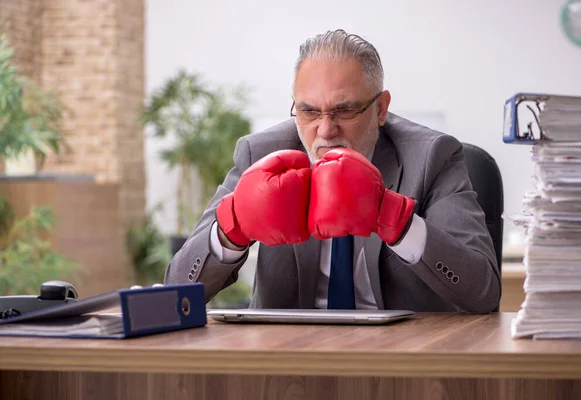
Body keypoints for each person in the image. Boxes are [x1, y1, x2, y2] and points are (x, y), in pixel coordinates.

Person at [164, 29, 501, 313]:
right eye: (309, 111)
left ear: (380, 108)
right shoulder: (261, 153)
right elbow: (176, 295)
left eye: (345, 110)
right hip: (288, 365)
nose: (325, 131)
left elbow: (483, 292)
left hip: (401, 362)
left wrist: (394, 218)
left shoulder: (432, 156)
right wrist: (231, 229)